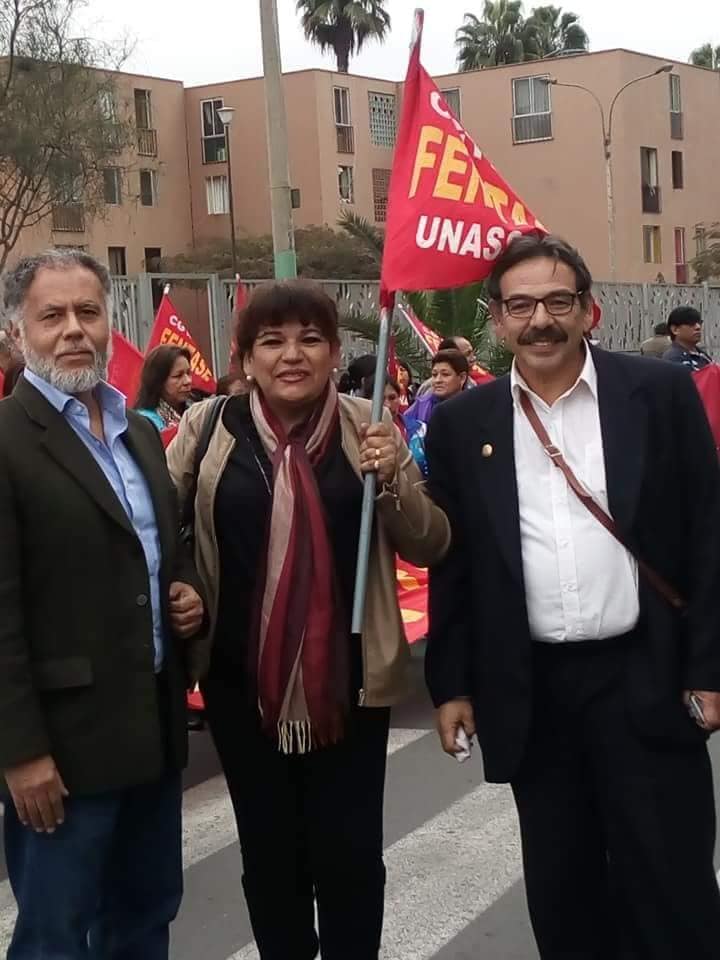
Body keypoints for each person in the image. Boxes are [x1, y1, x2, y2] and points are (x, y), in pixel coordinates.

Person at [425, 232, 720, 959]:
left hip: (645, 674)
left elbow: (708, 534)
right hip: (535, 692)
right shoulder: (464, 424)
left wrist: (708, 668)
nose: (541, 320)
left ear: (588, 310)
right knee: (565, 898)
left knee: (675, 894)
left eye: (558, 301)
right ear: (496, 319)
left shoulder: (657, 395)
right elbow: (457, 565)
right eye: (521, 305)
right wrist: (451, 684)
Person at [166, 279, 449, 960]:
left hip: (351, 684)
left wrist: (394, 480)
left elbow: (430, 543)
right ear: (245, 358)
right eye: (272, 341)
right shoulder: (205, 431)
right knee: (269, 858)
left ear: (334, 353)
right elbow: (158, 529)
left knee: (350, 858)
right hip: (239, 685)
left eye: (310, 339)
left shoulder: (368, 426)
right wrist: (182, 584)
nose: (291, 355)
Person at [0, 249, 206, 959]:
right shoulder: (7, 441)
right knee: (55, 937)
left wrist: (187, 592)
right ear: (16, 331)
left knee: (144, 919)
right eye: (51, 315)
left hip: (152, 731)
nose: (73, 330)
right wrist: (21, 753)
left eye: (87, 312)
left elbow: (164, 546)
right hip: (62, 753)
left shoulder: (138, 432)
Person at [363, 373, 427, 477]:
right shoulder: (361, 434)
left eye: (392, 398)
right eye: (380, 399)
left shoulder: (420, 430)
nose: (387, 405)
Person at [136, 344, 193, 429]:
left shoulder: (197, 411)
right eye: (178, 376)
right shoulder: (145, 422)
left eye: (188, 373)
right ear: (159, 381)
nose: (188, 381)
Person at [406, 348, 469, 424]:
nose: (438, 380)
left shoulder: (474, 408)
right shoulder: (420, 405)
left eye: (445, 374)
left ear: (462, 378)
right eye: (434, 375)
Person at [663, 306, 712, 370]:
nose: (698, 327)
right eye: (691, 323)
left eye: (699, 323)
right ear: (675, 330)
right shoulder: (673, 358)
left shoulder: (702, 355)